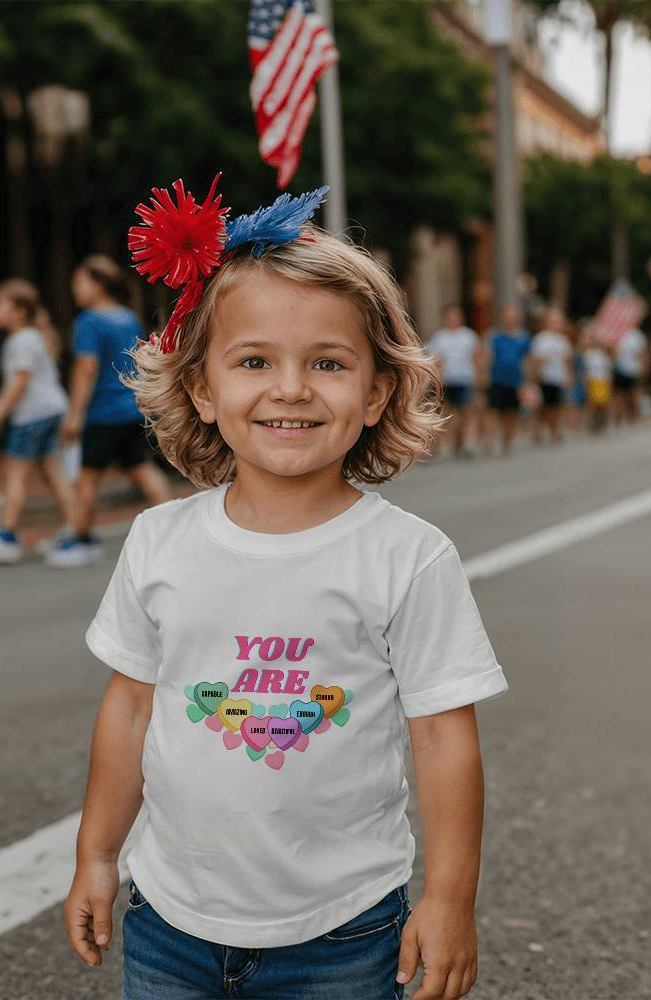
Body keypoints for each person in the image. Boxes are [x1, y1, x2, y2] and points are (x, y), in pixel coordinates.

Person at [64, 179, 508, 1000]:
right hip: (169, 920)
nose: (292, 388)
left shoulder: (407, 557)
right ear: (202, 386)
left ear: (377, 392)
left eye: (329, 363)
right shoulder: (159, 540)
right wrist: (97, 854)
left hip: (340, 930)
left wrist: (448, 900)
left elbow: (445, 741)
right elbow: (130, 707)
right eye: (255, 360)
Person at [46, 255, 174, 568]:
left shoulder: (89, 321)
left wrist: (75, 414)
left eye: (80, 282)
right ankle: (175, 531)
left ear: (98, 285)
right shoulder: (127, 317)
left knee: (86, 479)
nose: (75, 289)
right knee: (143, 471)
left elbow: (86, 369)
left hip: (102, 414)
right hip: (132, 408)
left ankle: (81, 538)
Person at [0, 279, 74, 562]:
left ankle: (6, 535)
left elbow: (19, 383)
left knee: (15, 474)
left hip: (32, 415)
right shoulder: (31, 337)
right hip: (51, 410)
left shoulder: (21, 340)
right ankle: (74, 528)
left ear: (18, 311)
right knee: (52, 472)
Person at [427, 304, 482, 459]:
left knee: (466, 412)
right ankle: (443, 443)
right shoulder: (439, 337)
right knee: (447, 414)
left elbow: (477, 357)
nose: (452, 319)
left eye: (455, 316)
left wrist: (478, 376)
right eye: (450, 316)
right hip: (447, 380)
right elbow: (434, 360)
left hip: (465, 379)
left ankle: (464, 442)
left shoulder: (469, 336)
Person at [481, 302, 531, 455]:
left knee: (512, 413)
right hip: (497, 379)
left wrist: (528, 381)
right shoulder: (494, 336)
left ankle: (507, 441)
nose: (510, 320)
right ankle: (488, 441)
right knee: (492, 411)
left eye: (513, 317)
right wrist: (483, 373)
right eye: (508, 317)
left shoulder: (523, 338)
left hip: (515, 381)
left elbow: (527, 360)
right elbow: (487, 355)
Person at [528, 306, 571, 444]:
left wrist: (568, 376)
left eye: (558, 321)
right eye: (553, 321)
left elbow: (566, 361)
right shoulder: (540, 339)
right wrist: (533, 377)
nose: (556, 324)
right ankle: (538, 432)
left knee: (556, 406)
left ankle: (555, 432)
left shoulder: (563, 341)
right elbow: (533, 360)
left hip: (557, 379)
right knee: (542, 407)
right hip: (544, 378)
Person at [611, 325, 648, 426]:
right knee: (619, 396)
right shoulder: (615, 333)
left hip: (634, 371)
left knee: (633, 396)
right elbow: (610, 351)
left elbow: (643, 353)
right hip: (619, 370)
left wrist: (644, 368)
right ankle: (617, 420)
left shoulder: (637, 335)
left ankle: (632, 417)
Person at [582, 328, 614, 433]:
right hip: (592, 381)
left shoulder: (603, 355)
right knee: (592, 405)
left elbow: (607, 370)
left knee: (603, 404)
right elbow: (585, 370)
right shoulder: (587, 354)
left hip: (603, 381)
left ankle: (602, 422)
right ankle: (591, 423)